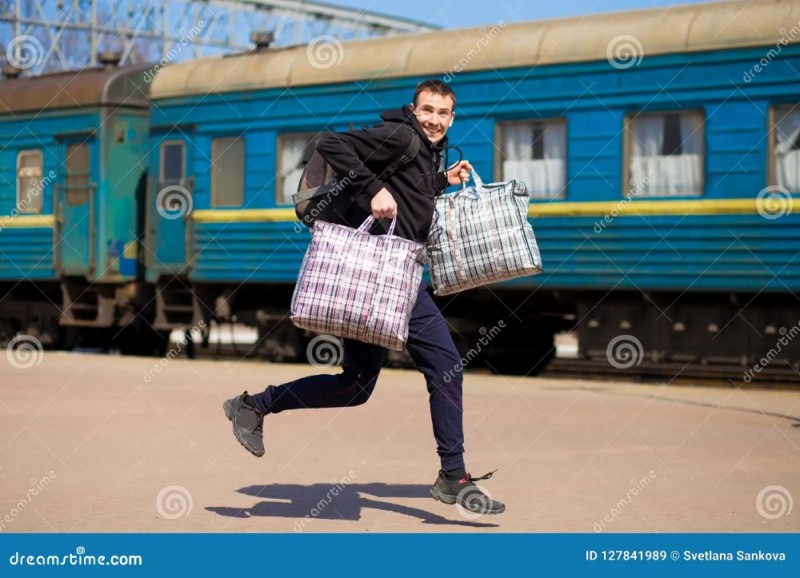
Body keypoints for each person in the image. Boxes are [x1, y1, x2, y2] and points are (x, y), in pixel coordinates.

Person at [223, 79, 505, 515]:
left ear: (452, 118)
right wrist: (372, 189)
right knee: (447, 366)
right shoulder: (400, 135)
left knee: (355, 386)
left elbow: (407, 195)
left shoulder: (424, 150)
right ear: (413, 109)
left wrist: (439, 181)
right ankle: (453, 476)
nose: (434, 120)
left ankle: (253, 406)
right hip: (387, 273)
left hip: (390, 275)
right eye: (427, 110)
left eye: (443, 113)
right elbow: (333, 144)